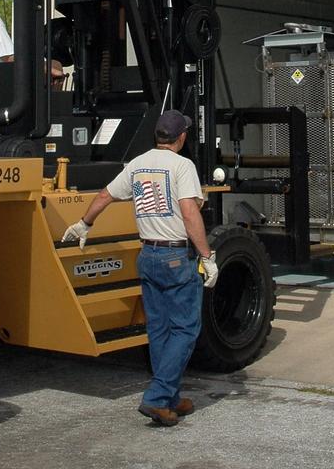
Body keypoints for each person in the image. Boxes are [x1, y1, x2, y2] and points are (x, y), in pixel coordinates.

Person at [62, 109, 219, 428]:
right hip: (176, 257)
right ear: (182, 137)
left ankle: (171, 398)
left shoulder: (137, 164)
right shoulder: (182, 165)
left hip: (147, 255)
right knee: (186, 329)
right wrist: (206, 255)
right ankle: (158, 397)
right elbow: (190, 212)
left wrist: (84, 223)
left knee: (159, 329)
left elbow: (106, 195)